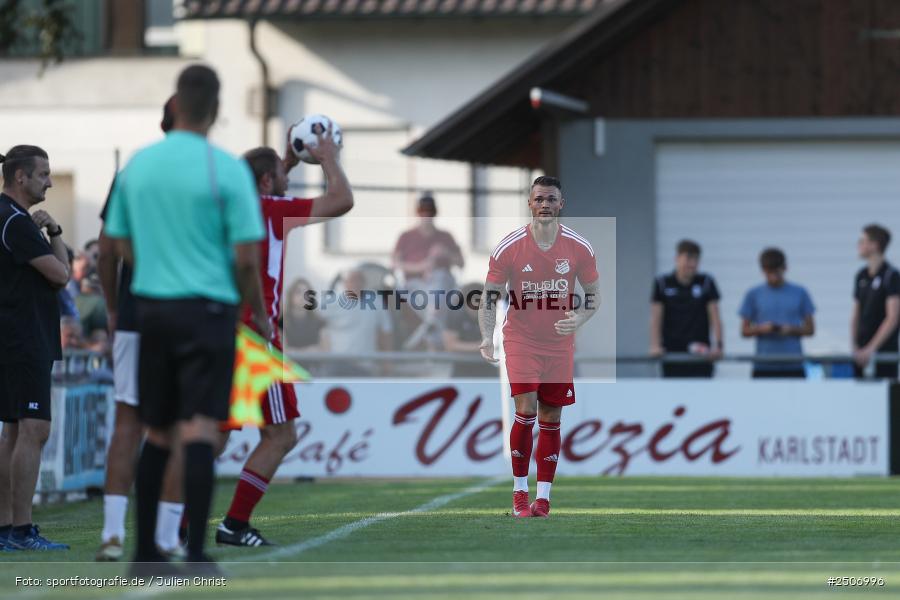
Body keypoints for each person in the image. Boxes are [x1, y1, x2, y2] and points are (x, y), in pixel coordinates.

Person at [104, 64, 270, 571]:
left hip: (153, 310)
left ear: (174, 104)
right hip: (210, 313)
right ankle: (196, 552)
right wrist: (259, 316)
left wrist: (129, 291)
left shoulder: (139, 166)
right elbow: (245, 258)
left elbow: (114, 243)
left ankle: (144, 552)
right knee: (199, 429)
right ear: (215, 110)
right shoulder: (228, 170)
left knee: (155, 431)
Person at [215, 129, 352, 548]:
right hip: (255, 337)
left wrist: (284, 161)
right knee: (281, 435)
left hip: (216, 331)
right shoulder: (271, 209)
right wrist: (327, 157)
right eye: (283, 174)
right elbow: (341, 200)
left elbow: (260, 180)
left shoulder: (228, 207)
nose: (288, 179)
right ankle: (234, 524)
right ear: (266, 183)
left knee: (213, 437)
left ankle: (176, 524)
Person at [95, 96, 187, 562]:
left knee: (128, 424)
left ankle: (113, 534)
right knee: (183, 426)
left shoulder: (132, 171)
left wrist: (113, 308)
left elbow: (106, 251)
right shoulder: (212, 170)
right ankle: (167, 538)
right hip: (189, 316)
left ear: (162, 121)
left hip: (135, 314)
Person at [478, 176, 599, 518]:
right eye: (539, 198)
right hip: (521, 340)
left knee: (551, 416)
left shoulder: (579, 247)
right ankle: (519, 493)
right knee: (526, 410)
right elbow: (488, 298)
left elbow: (594, 297)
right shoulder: (509, 247)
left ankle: (543, 498)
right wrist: (488, 336)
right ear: (529, 204)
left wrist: (580, 318)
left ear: (562, 204)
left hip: (559, 344)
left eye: (551, 199)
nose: (545, 204)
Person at [0, 145, 70, 551]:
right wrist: (52, 236)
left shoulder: (12, 220)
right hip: (24, 339)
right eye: (43, 173)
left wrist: (54, 233)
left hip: (15, 338)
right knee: (33, 429)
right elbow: (61, 276)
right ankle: (22, 530)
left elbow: (60, 271)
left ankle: (8, 528)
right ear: (20, 176)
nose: (49, 181)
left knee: (12, 431)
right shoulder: (15, 222)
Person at [392, 194, 463, 349]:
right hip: (414, 286)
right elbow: (395, 264)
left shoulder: (445, 236)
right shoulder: (406, 236)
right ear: (417, 212)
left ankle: (429, 329)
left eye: (430, 210)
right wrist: (421, 267)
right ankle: (433, 331)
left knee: (439, 278)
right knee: (435, 296)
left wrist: (446, 254)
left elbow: (461, 263)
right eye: (422, 210)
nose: (426, 214)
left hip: (442, 286)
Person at [650, 240, 723, 377]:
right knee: (675, 396)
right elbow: (656, 317)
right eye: (689, 258)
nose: (693, 264)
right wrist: (655, 345)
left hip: (701, 353)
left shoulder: (706, 281)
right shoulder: (662, 283)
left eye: (696, 259)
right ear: (677, 258)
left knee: (702, 395)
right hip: (672, 353)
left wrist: (718, 346)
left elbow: (715, 316)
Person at [739, 248, 815, 378]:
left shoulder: (800, 292)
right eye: (769, 273)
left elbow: (810, 329)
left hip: (794, 365)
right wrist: (762, 329)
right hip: (763, 365)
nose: (773, 277)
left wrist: (790, 329)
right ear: (763, 271)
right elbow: (744, 331)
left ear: (785, 268)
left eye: (776, 272)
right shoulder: (753, 294)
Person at [319, 269, 393, 377]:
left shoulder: (376, 302)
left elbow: (386, 332)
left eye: (359, 280)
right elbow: (312, 321)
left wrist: (387, 362)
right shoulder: (332, 302)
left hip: (364, 365)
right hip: (337, 364)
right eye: (352, 280)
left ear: (364, 283)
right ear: (345, 283)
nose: (356, 283)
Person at [852, 224, 900, 379]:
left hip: (883, 353)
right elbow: (855, 314)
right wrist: (855, 346)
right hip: (860, 354)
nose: (858, 245)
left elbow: (892, 318)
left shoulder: (891, 276)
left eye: (862, 241)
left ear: (874, 245)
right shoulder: (861, 275)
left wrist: (871, 349)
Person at [442, 283, 498, 378]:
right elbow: (450, 345)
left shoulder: (494, 313)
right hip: (463, 369)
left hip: (489, 369)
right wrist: (481, 346)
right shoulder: (455, 314)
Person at [282, 278, 325, 352]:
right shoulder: (282, 321)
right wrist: (305, 351)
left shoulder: (319, 321)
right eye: (298, 292)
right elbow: (282, 349)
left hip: (313, 362)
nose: (303, 296)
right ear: (291, 296)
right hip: (288, 363)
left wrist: (314, 351)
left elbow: (326, 349)